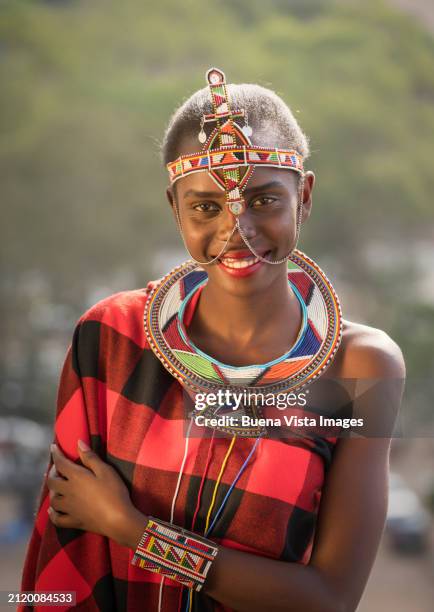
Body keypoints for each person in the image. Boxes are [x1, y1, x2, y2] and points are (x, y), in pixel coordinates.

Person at [20, 68, 405, 612]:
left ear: (306, 196)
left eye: (265, 200)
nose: (237, 228)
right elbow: (67, 555)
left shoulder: (359, 366)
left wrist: (132, 529)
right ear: (175, 209)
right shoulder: (110, 336)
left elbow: (329, 598)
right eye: (206, 207)